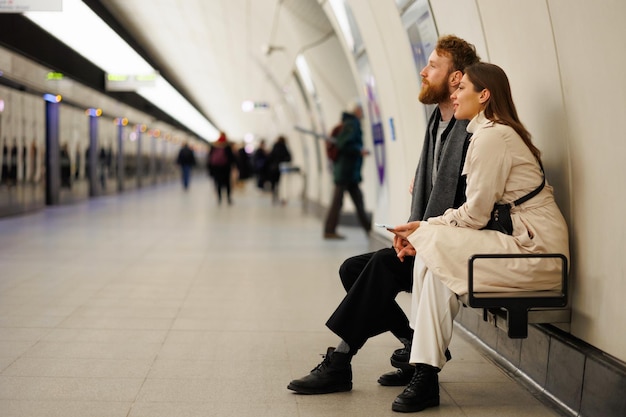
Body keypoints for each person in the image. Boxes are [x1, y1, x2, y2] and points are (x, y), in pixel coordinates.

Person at [287, 35, 479, 394]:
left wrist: (421, 236)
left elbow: (472, 204)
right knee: (352, 268)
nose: (423, 72)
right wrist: (412, 234)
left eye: (433, 65)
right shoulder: (436, 125)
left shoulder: (471, 131)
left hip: (452, 246)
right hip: (430, 238)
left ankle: (341, 361)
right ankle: (413, 344)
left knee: (377, 268)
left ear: (455, 78)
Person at [388, 62, 570, 413]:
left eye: (462, 89)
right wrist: (423, 230)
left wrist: (424, 228)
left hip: (536, 252)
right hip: (522, 242)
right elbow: (475, 214)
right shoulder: (487, 133)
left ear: (484, 95)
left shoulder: (492, 137)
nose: (454, 95)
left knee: (432, 246)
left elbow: (475, 215)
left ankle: (424, 369)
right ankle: (423, 369)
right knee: (431, 251)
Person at [323, 102, 371, 239]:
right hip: (346, 171)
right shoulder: (352, 123)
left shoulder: (348, 122)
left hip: (347, 171)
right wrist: (359, 150)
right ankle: (330, 230)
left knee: (353, 200)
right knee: (341, 201)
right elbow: (344, 143)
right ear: (356, 110)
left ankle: (367, 228)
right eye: (361, 110)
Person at [207, 132, 236, 204]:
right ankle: (228, 198)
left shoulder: (214, 145)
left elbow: (210, 158)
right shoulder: (227, 146)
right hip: (226, 168)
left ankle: (219, 198)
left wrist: (210, 168)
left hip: (216, 168)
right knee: (227, 183)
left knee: (218, 183)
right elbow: (231, 157)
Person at [266, 135, 292, 204]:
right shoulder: (284, 147)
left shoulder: (275, 147)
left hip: (273, 167)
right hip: (280, 168)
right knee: (280, 183)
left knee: (274, 183)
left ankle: (274, 196)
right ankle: (280, 197)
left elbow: (270, 157)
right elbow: (289, 157)